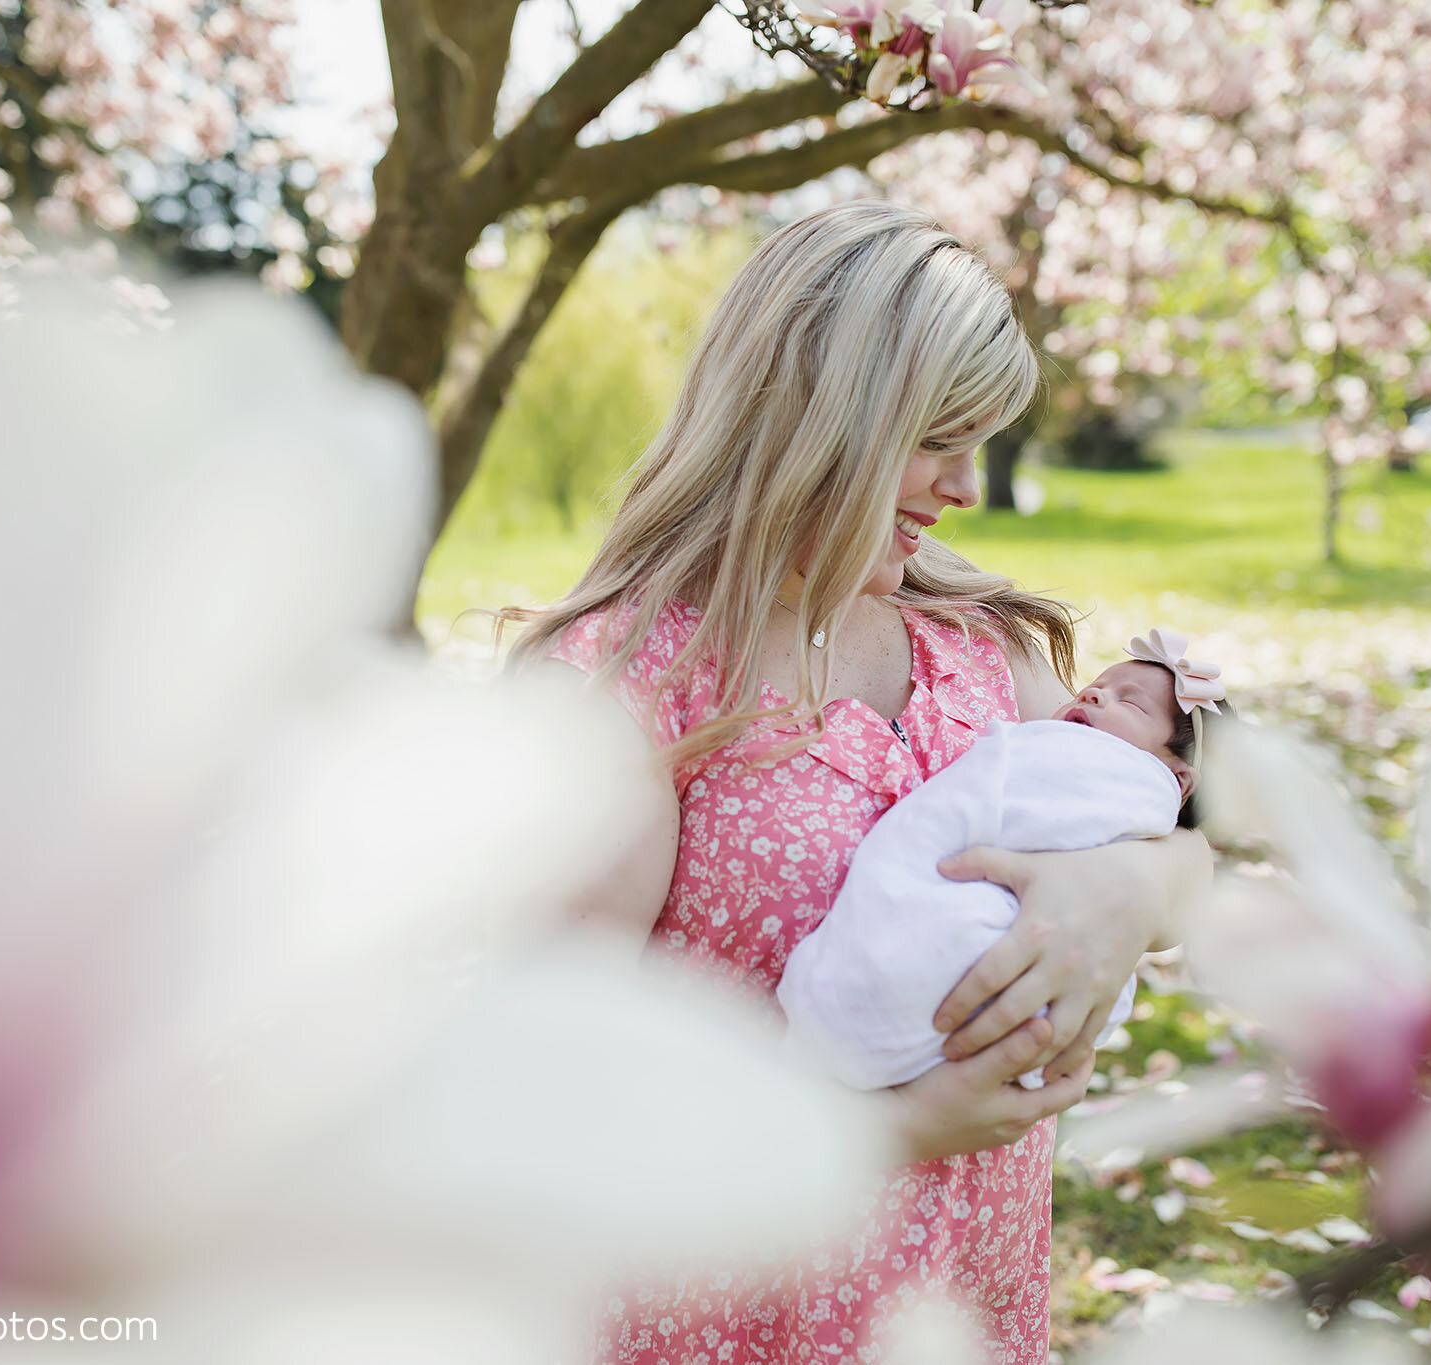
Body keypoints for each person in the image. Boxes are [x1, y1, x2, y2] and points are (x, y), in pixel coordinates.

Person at [500, 201, 1211, 1365]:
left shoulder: (980, 649)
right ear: (812, 421)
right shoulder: (627, 691)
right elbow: (561, 1095)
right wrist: (890, 1131)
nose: (964, 486)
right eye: (936, 439)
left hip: (959, 1308)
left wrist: (1131, 896)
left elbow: (1174, 843)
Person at [778, 630, 1230, 1091]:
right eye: (1093, 688)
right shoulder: (1051, 743)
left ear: (1179, 781)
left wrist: (1133, 881)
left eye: (1130, 704)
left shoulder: (1123, 780)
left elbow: (1185, 865)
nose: (1094, 693)